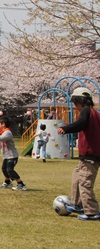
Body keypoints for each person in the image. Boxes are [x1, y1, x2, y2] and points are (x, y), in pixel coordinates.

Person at [58, 87, 100, 220]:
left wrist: (65, 129)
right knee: (77, 176)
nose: (75, 107)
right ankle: (77, 204)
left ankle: (92, 211)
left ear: (81, 101)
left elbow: (80, 124)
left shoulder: (86, 112)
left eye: (75, 103)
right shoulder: (96, 114)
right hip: (87, 156)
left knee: (85, 183)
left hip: (90, 155)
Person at [0, 116, 27, 191]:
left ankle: (21, 184)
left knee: (9, 170)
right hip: (6, 156)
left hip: (12, 156)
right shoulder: (0, 133)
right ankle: (7, 182)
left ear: (3, 124)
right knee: (4, 169)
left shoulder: (7, 133)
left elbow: (1, 139)